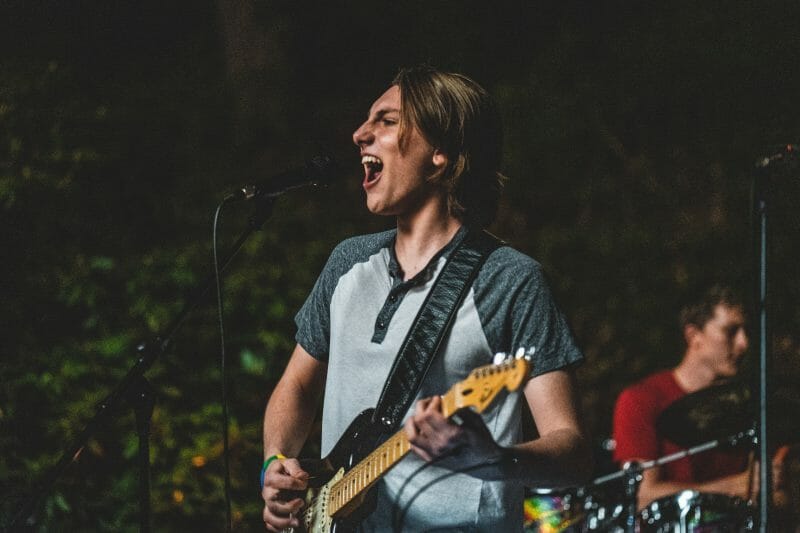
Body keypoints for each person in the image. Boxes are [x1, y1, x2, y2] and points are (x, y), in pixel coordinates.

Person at [259, 64, 593, 532]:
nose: (360, 134)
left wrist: (493, 459)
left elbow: (572, 450)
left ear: (440, 153)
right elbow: (295, 387)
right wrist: (276, 464)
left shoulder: (511, 280)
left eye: (386, 120)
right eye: (366, 120)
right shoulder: (346, 265)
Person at [612, 284, 792, 512]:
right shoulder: (642, 399)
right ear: (693, 336)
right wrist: (736, 486)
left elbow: (780, 497)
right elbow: (642, 496)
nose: (744, 343)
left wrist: (773, 490)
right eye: (731, 331)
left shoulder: (750, 403)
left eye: (747, 331)